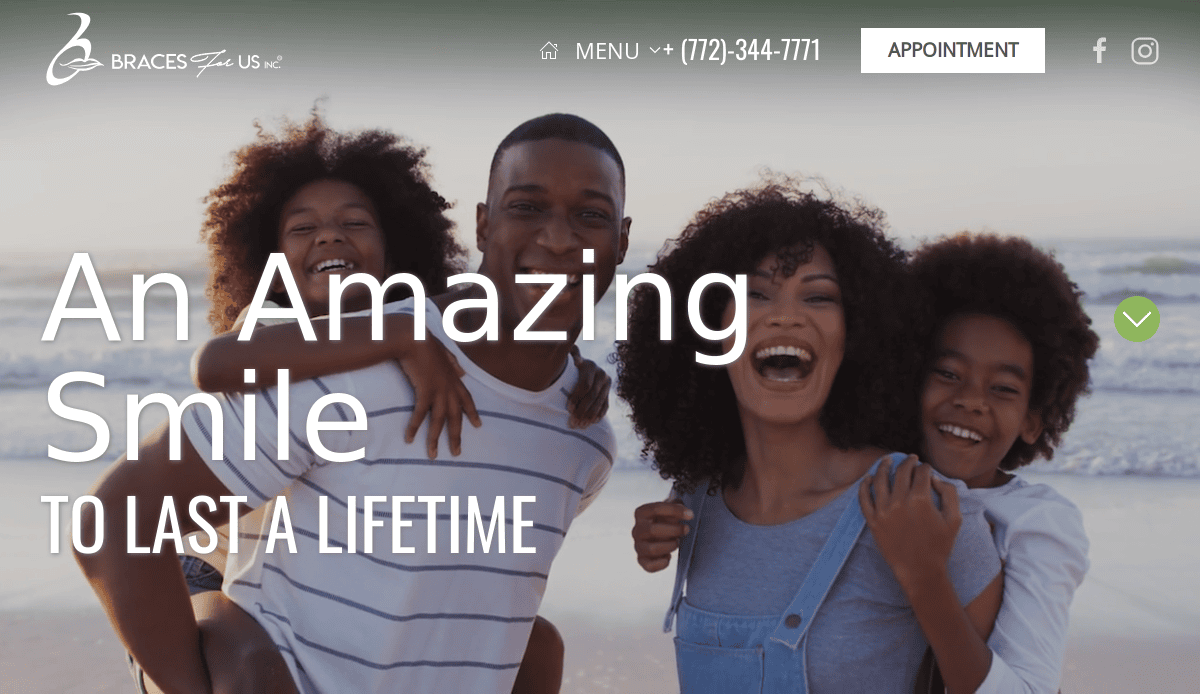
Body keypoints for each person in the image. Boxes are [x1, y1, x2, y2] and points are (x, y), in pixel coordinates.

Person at [76, 112, 628, 694]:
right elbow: (208, 372)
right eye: (527, 206)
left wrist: (576, 370)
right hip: (206, 568)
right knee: (249, 670)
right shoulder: (310, 344)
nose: (560, 238)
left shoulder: (580, 439)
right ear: (483, 227)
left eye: (590, 214)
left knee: (538, 643)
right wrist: (403, 336)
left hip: (280, 551)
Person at [621, 180, 1003, 693]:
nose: (785, 314)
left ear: (857, 333)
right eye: (754, 293)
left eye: (819, 296)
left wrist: (924, 577)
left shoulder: (917, 508)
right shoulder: (698, 501)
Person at [859, 232, 1098, 693]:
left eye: (1003, 388)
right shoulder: (862, 477)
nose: (970, 401)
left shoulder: (1037, 523)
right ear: (907, 375)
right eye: (948, 374)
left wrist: (924, 575)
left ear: (1032, 420)